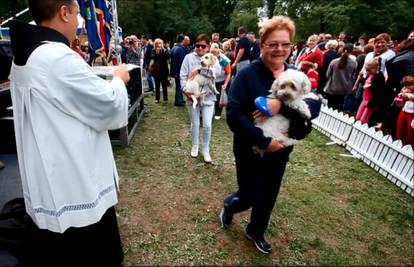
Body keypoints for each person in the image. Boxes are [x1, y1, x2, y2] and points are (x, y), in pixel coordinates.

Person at [8, 0, 130, 265]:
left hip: (48, 175)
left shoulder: (27, 55)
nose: (78, 23)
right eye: (76, 15)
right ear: (63, 12)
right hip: (76, 182)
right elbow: (108, 107)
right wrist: (119, 79)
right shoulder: (56, 58)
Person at [219, 16, 321, 254]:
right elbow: (234, 116)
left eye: (285, 44)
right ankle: (230, 205)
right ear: (262, 43)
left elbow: (313, 107)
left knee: (269, 194)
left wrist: (280, 106)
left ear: (292, 45)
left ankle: (256, 230)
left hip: (281, 149)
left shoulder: (296, 75)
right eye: (273, 43)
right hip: (249, 147)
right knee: (250, 194)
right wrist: (264, 141)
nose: (280, 49)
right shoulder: (247, 74)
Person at [180, 33, 219, 163]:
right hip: (192, 96)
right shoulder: (188, 58)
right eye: (197, 46)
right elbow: (183, 76)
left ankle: (205, 149)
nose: (200, 48)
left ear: (208, 46)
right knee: (195, 123)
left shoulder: (213, 58)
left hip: (208, 98)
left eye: (203, 46)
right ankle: (195, 146)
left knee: (207, 125)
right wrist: (185, 92)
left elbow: (217, 74)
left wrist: (198, 71)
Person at [324, 43, 357, 111]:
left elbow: (327, 74)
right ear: (352, 51)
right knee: (339, 107)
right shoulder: (354, 63)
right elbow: (352, 75)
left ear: (342, 50)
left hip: (332, 88)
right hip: (344, 89)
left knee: (330, 107)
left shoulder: (334, 62)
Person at [354, 58, 385, 124]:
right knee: (357, 117)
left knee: (363, 119)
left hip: (371, 101)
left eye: (369, 70)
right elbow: (365, 82)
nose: (368, 71)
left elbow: (379, 90)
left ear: (376, 68)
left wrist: (370, 86)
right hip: (364, 99)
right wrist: (362, 79)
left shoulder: (379, 76)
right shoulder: (370, 74)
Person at [210, 43, 231, 120]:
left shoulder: (224, 60)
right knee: (212, 95)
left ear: (218, 53)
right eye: (211, 53)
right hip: (213, 80)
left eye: (214, 54)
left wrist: (225, 84)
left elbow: (228, 74)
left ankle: (218, 113)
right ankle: (211, 111)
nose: (213, 56)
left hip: (223, 80)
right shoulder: (209, 57)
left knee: (219, 97)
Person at [170, 34, 188, 106]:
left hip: (175, 70)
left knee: (178, 85)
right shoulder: (180, 49)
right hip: (179, 70)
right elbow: (182, 61)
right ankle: (178, 101)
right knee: (179, 86)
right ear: (183, 40)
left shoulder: (174, 48)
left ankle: (180, 99)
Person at [150, 38, 170, 103]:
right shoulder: (153, 50)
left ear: (162, 44)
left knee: (164, 85)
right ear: (155, 44)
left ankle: (165, 99)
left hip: (164, 70)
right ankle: (157, 99)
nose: (159, 44)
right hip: (156, 70)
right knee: (157, 85)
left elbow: (168, 57)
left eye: (160, 43)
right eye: (157, 43)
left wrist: (163, 51)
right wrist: (157, 53)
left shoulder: (165, 50)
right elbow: (152, 57)